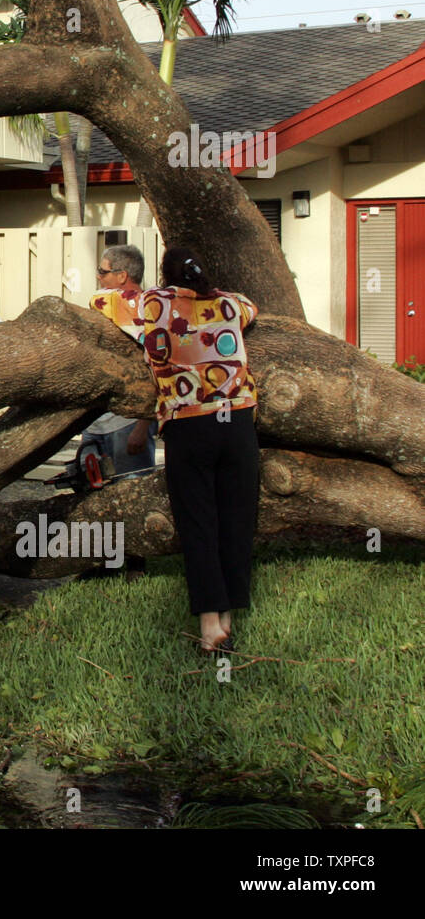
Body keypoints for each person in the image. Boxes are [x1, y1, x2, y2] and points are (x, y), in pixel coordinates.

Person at [143, 247, 260, 653]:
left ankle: (211, 626)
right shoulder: (229, 305)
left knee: (199, 524)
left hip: (189, 422)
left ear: (165, 277)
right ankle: (229, 618)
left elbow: (100, 300)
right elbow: (251, 306)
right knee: (236, 521)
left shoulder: (153, 304)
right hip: (238, 421)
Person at [83, 244, 157, 474]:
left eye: (103, 272)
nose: (98, 277)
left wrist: (143, 424)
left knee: (132, 486)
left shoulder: (117, 304)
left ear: (122, 275)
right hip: (96, 421)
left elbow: (156, 364)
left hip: (129, 422)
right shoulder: (150, 308)